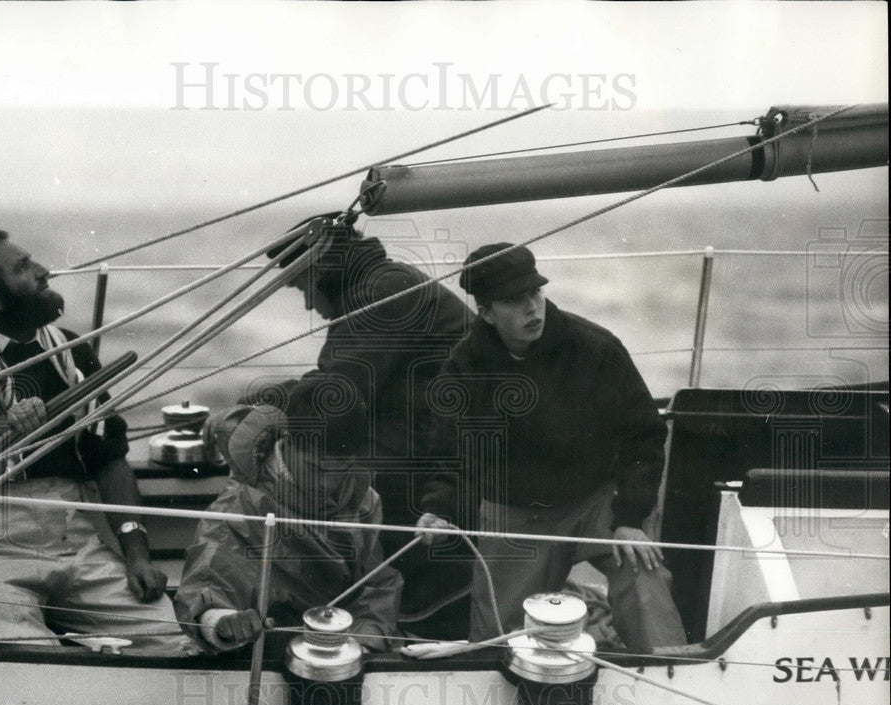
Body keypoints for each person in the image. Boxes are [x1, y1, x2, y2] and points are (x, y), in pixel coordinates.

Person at [0, 229, 196, 654]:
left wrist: (137, 554)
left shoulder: (73, 352)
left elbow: (109, 459)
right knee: (22, 652)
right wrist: (11, 424)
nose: (43, 271)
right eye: (23, 268)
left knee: (170, 642)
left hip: (75, 541)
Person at [416, 243, 687, 651]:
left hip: (596, 502)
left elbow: (644, 434)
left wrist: (630, 517)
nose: (532, 308)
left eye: (535, 293)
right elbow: (452, 452)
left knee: (641, 570)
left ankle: (671, 674)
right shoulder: (465, 365)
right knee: (495, 643)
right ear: (487, 313)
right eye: (513, 300)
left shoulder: (596, 348)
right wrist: (439, 508)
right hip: (517, 511)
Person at [260, 212, 473, 635]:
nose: (308, 305)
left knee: (316, 474)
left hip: (453, 452)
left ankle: (385, 611)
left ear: (321, 269)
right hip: (435, 434)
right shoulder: (377, 284)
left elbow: (335, 398)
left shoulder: (381, 292)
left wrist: (262, 403)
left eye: (302, 287)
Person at [173, 377, 402, 652]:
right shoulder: (241, 502)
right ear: (287, 441)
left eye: (340, 468)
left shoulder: (364, 499)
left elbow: (376, 583)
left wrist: (362, 641)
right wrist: (219, 622)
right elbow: (208, 573)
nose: (327, 484)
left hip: (340, 647)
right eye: (315, 469)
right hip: (259, 647)